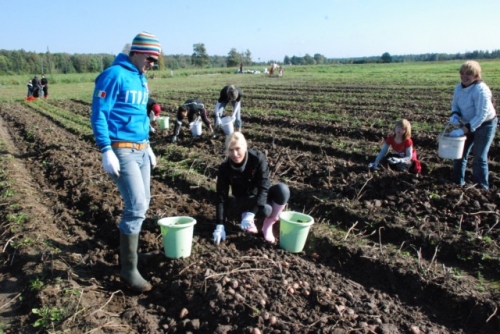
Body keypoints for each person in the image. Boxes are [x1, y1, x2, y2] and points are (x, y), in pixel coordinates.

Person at [90, 31, 161, 292]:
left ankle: (133, 257)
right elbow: (99, 114)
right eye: (150, 58)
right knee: (136, 204)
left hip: (141, 149)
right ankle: (128, 270)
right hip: (121, 149)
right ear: (137, 52)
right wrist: (105, 149)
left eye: (154, 60)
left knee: (143, 203)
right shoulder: (114, 75)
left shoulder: (140, 78)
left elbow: (139, 115)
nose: (151, 64)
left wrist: (149, 146)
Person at [213, 132, 290, 245]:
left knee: (282, 190)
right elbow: (221, 197)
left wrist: (252, 213)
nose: (235, 154)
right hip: (242, 199)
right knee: (266, 209)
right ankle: (246, 215)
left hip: (258, 195)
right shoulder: (225, 168)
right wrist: (219, 225)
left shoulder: (257, 159)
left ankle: (267, 225)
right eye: (230, 150)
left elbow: (264, 187)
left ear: (245, 146)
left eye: (238, 148)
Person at [448, 60, 497, 190]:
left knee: (479, 157)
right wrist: (455, 114)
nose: (464, 76)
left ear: (476, 75)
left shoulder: (481, 90)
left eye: (468, 74)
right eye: (462, 73)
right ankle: (458, 182)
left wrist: (463, 130)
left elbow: (481, 115)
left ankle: (482, 188)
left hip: (485, 125)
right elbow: (455, 104)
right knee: (460, 154)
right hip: (467, 123)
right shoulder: (458, 87)